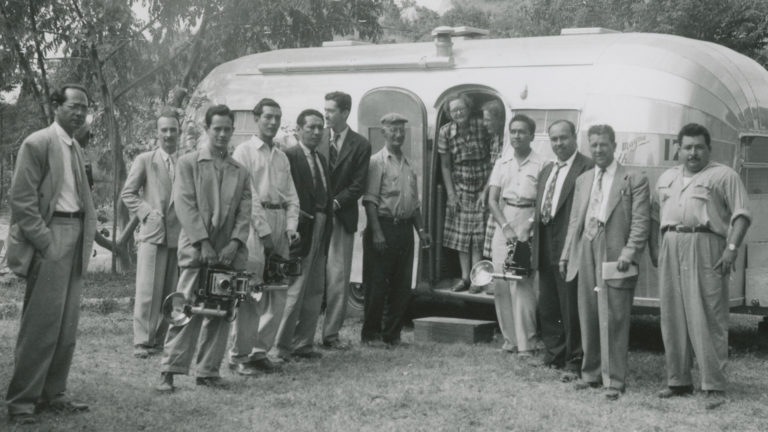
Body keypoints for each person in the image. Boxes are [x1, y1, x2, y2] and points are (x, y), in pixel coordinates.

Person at [5, 84, 96, 425]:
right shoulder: (38, 143)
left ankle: (53, 393)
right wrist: (45, 242)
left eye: (84, 108)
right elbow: (22, 200)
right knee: (41, 325)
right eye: (74, 106)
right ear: (57, 105)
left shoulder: (75, 146)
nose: (80, 113)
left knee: (67, 325)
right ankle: (22, 403)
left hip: (75, 235)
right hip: (51, 234)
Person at [650, 123, 750, 410]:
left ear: (709, 149)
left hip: (706, 245)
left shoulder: (724, 175)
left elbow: (741, 215)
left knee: (708, 314)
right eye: (687, 147)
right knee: (672, 315)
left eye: (699, 147)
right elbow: (656, 215)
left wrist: (731, 249)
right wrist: (656, 248)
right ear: (678, 149)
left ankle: (713, 385)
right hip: (671, 244)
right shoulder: (667, 177)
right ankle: (678, 381)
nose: (693, 153)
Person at [156, 104, 251, 392]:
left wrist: (234, 243)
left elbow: (245, 211)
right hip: (197, 250)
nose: (222, 134)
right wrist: (204, 243)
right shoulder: (189, 163)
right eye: (217, 129)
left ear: (232, 130)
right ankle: (169, 370)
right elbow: (185, 205)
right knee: (185, 307)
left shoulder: (240, 171)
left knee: (222, 308)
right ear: (207, 129)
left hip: (227, 253)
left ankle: (208, 370)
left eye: (227, 129)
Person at [560, 124, 649, 401]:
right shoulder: (584, 179)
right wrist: (566, 253)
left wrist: (629, 252)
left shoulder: (633, 179)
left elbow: (641, 222)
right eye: (594, 145)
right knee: (588, 311)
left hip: (614, 250)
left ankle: (614, 380)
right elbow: (575, 219)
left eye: (603, 144)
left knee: (613, 314)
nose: (598, 150)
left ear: (614, 146)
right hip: (585, 245)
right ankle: (591, 374)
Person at [229, 98, 300, 375]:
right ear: (256, 118)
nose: (273, 122)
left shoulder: (281, 156)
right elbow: (248, 197)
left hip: (280, 223)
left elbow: (292, 196)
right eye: (268, 117)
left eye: (277, 117)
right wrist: (265, 232)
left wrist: (291, 227)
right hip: (254, 226)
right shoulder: (244, 152)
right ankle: (239, 354)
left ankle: (260, 352)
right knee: (252, 292)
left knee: (278, 292)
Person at [361, 113, 430, 346]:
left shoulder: (408, 165)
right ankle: (371, 334)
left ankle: (392, 335)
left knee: (402, 286)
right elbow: (370, 201)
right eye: (393, 130)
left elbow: (414, 204)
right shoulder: (376, 162)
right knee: (377, 284)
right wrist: (377, 233)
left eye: (401, 130)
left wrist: (422, 231)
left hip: (405, 230)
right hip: (383, 227)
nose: (398, 135)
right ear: (384, 133)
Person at [533, 120, 594, 375]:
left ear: (574, 137)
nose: (559, 143)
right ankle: (554, 354)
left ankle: (575, 358)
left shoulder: (587, 167)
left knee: (571, 304)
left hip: (570, 242)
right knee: (548, 303)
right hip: (545, 240)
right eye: (554, 139)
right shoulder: (547, 169)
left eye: (563, 138)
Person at [121, 109, 182, 359]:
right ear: (157, 133)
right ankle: (142, 341)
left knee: (171, 291)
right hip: (153, 233)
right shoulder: (145, 160)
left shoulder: (186, 162)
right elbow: (128, 193)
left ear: (179, 132)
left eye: (173, 130)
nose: (169, 135)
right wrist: (147, 213)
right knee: (148, 290)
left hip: (179, 235)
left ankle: (160, 339)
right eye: (164, 130)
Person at [276, 109, 333, 360]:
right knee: (294, 290)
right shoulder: (289, 156)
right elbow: (284, 194)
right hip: (300, 230)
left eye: (320, 127)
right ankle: (280, 346)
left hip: (322, 226)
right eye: (311, 127)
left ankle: (303, 344)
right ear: (299, 129)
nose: (317, 132)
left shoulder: (321, 159)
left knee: (315, 289)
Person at [487, 114, 546, 356]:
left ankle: (527, 344)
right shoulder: (502, 162)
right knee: (501, 281)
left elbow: (543, 202)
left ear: (531, 135)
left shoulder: (541, 164)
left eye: (522, 131)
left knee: (522, 283)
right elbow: (492, 200)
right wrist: (505, 227)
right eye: (513, 131)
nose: (517, 136)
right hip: (505, 219)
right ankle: (510, 340)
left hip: (529, 220)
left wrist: (528, 229)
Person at [320, 91, 371, 349]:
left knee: (338, 278)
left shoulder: (360, 144)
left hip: (341, 217)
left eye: (330, 111)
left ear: (345, 113)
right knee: (309, 277)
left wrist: (335, 203)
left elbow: (358, 185)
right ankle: (299, 336)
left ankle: (331, 334)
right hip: (314, 217)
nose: (326, 115)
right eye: (325, 110)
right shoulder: (316, 137)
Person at [438, 94, 490, 292]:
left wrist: (487, 190)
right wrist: (451, 195)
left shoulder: (480, 125)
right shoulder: (445, 132)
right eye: (454, 110)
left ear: (469, 109)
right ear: (449, 113)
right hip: (460, 187)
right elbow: (445, 166)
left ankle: (476, 279)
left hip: (483, 185)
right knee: (462, 238)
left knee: (478, 237)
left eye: (461, 109)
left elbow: (493, 155)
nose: (458, 113)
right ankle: (464, 278)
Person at [480, 100, 507, 286]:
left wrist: (488, 190)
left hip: (503, 192)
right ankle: (493, 278)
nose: (485, 124)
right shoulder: (495, 138)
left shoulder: (506, 140)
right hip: (494, 189)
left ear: (499, 119)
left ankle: (496, 279)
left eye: (488, 120)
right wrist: (486, 189)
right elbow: (494, 169)